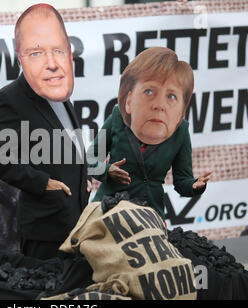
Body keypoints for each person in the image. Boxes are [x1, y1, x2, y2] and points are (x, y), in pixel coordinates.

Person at [0, 4, 91, 260]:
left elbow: (65, 148)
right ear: (21, 56)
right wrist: (43, 183)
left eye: (57, 50)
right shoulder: (10, 98)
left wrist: (83, 177)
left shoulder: (62, 94)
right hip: (45, 232)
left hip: (76, 226)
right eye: (37, 52)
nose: (51, 62)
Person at [86, 47, 211, 219]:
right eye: (149, 91)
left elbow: (182, 181)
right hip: (108, 213)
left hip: (150, 218)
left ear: (181, 108)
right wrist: (107, 171)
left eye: (171, 96)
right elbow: (89, 160)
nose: (159, 105)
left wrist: (195, 185)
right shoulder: (117, 117)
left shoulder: (180, 130)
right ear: (129, 100)